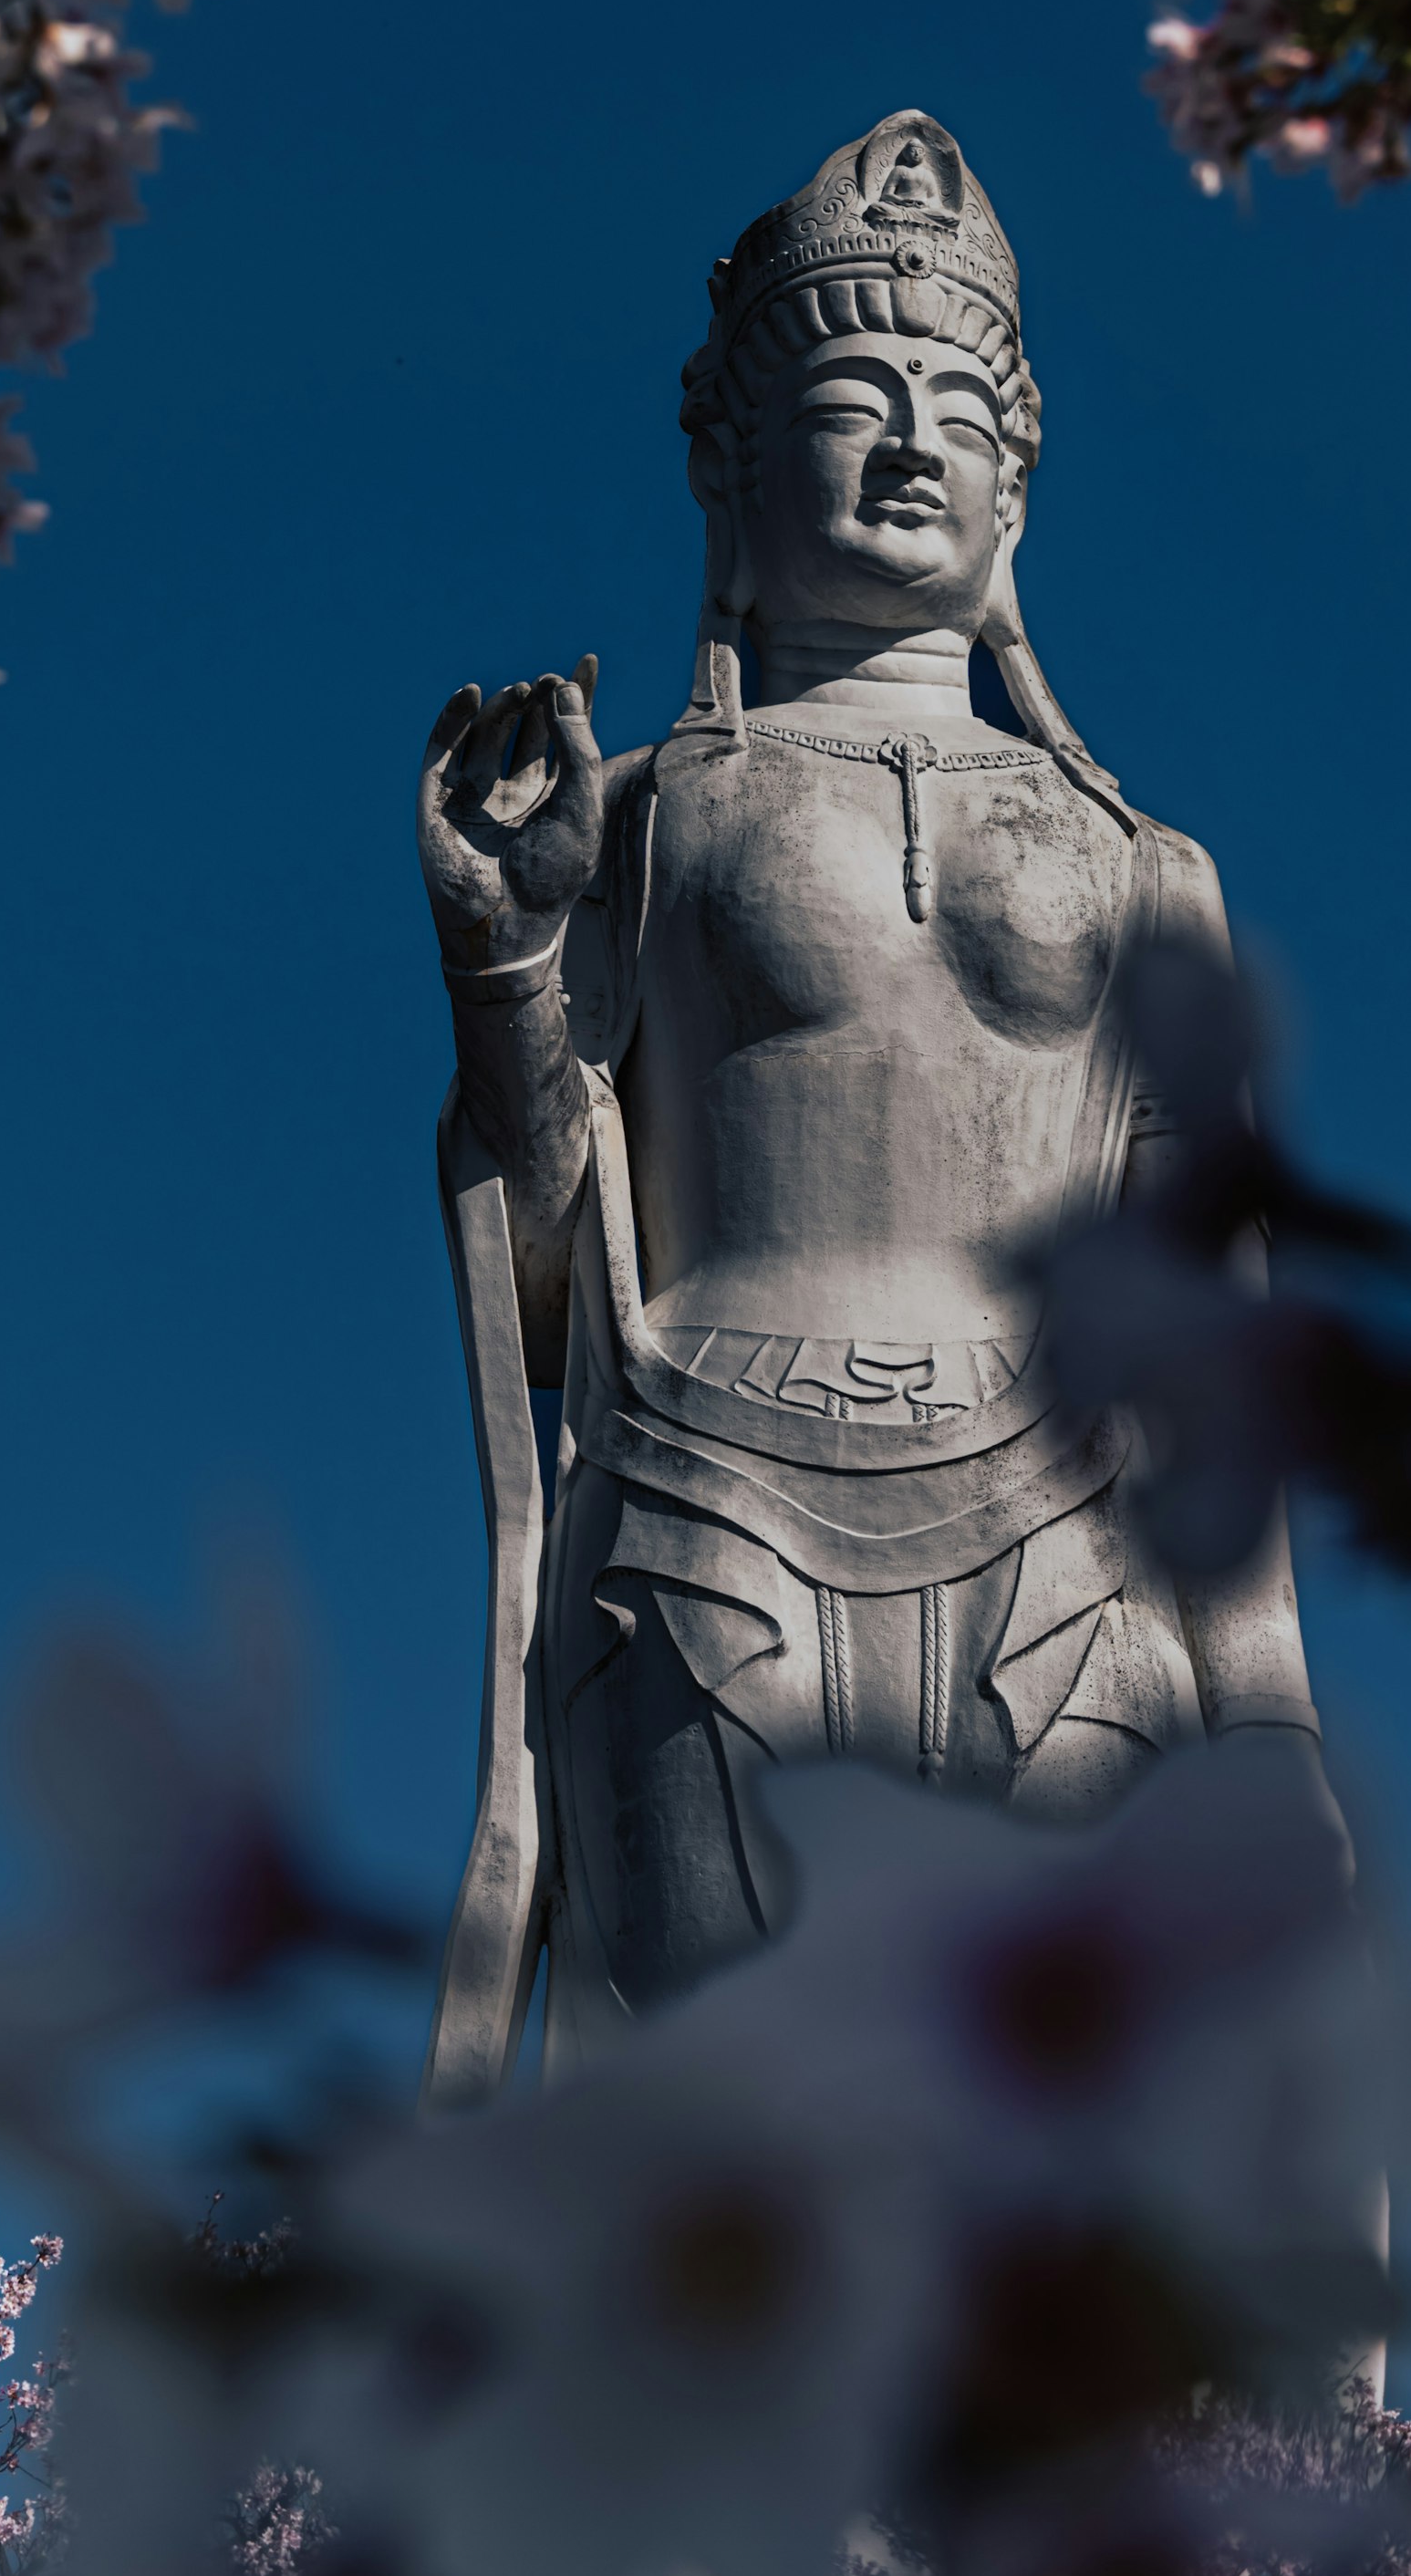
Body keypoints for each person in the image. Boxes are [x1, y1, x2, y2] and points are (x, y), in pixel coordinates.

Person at [414, 109, 1326, 2082]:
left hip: (1073, 1553)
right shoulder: (642, 813)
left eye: (959, 412)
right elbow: (554, 1260)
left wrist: (1271, 1718)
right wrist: (510, 956)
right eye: (852, 396)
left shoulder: (1149, 865)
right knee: (724, 2177)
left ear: (1019, 485)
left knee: (1074, 2195)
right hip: (703, 1514)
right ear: (728, 462)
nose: (913, 445)